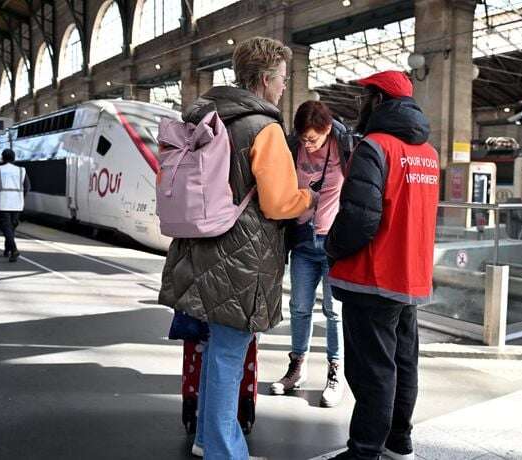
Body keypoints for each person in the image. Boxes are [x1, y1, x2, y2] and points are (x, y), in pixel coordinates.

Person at [158, 36, 316, 460]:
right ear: (265, 80)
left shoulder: (205, 116)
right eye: (283, 78)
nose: (285, 86)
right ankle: (226, 452)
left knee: (216, 352)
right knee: (229, 355)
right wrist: (310, 198)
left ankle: (209, 439)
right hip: (241, 258)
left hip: (197, 247)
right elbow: (279, 202)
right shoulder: (263, 128)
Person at [325, 71, 440, 460]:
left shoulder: (375, 147)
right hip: (411, 276)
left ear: (377, 100)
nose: (360, 103)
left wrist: (333, 247)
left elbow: (360, 217)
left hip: (372, 278)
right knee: (403, 362)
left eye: (364, 95)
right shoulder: (429, 153)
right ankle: (398, 441)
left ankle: (364, 452)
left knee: (372, 371)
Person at [270, 101, 352, 407]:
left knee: (334, 312)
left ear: (328, 130)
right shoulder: (294, 146)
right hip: (303, 241)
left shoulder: (345, 146)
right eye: (303, 138)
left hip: (332, 242)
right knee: (300, 307)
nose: (308, 144)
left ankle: (335, 372)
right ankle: (297, 367)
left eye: (313, 139)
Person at [0, 148, 30, 262]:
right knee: (11, 226)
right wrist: (20, 198)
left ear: (2, 158)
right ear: (14, 158)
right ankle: (7, 249)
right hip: (17, 203)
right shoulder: (21, 170)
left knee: (5, 226)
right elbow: (27, 187)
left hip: (2, 203)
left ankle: (14, 250)